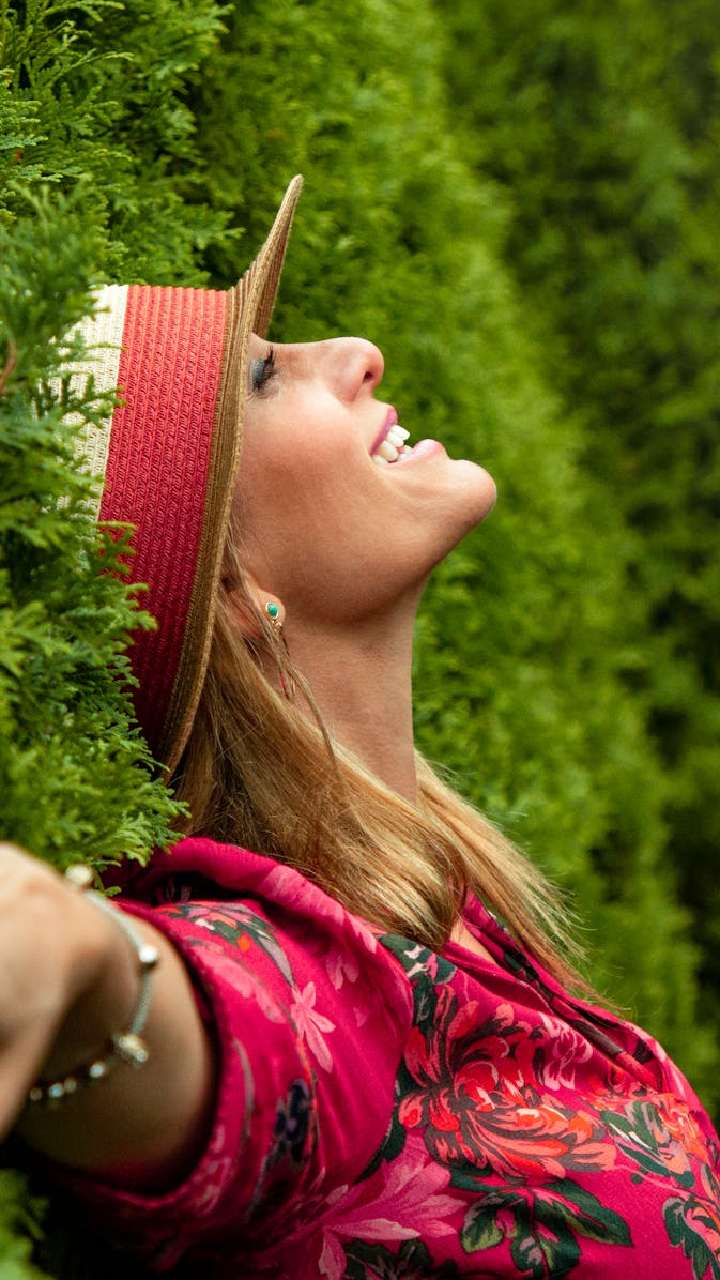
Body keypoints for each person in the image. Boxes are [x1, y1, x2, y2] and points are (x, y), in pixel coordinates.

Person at [1, 174, 719, 1279]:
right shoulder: (311, 986)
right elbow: (187, 1022)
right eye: (264, 375)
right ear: (228, 590)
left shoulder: (441, 900)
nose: (358, 352)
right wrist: (74, 948)